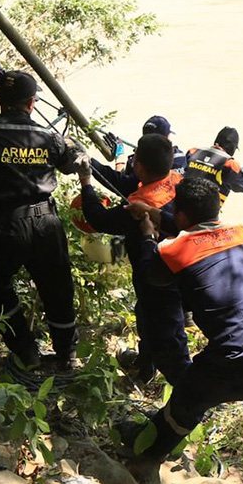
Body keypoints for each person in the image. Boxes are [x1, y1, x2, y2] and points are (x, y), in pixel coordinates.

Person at [125, 177, 243, 484]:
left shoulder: (172, 249)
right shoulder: (241, 233)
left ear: (180, 215)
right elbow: (198, 232)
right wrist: (153, 211)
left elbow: (153, 273)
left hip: (238, 356)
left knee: (186, 401)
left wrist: (149, 234)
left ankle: (146, 457)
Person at [0, 71, 87, 368]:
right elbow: (71, 162)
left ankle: (26, 352)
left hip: (4, 227)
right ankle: (67, 356)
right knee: (58, 290)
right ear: (32, 102)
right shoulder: (49, 137)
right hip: (46, 225)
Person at [78, 133, 189, 384]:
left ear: (138, 165)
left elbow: (99, 219)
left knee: (158, 325)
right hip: (180, 267)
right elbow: (122, 181)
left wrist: (86, 183)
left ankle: (174, 381)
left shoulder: (138, 207)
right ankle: (147, 364)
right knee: (155, 317)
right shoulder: (175, 180)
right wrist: (91, 164)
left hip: (154, 272)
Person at [96, 115, 187, 196]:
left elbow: (122, 186)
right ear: (166, 138)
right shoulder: (179, 157)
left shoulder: (137, 162)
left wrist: (120, 158)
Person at [184, 127, 243, 207]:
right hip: (205, 211)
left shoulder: (193, 152)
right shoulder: (229, 164)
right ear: (232, 147)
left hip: (181, 203)